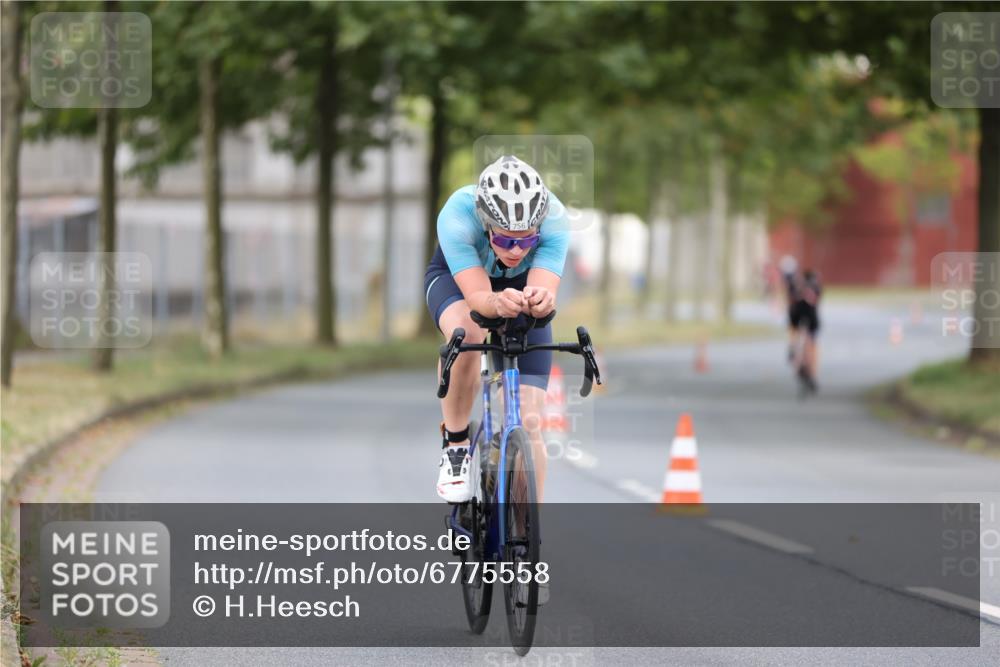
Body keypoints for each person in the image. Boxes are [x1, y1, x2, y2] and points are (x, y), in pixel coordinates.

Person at [424, 155, 569, 503]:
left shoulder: (556, 220)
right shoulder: (458, 215)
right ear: (487, 225)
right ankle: (456, 447)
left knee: (529, 419)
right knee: (468, 331)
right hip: (458, 281)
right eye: (505, 241)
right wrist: (495, 302)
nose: (517, 250)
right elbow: (477, 297)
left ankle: (526, 530)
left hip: (518, 287)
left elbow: (545, 291)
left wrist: (540, 300)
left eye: (527, 241)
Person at [782, 259, 822, 392]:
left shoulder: (793, 284)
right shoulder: (816, 286)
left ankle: (793, 347)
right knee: (812, 342)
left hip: (798, 313)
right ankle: (812, 371)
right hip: (808, 315)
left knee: (795, 330)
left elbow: (790, 301)